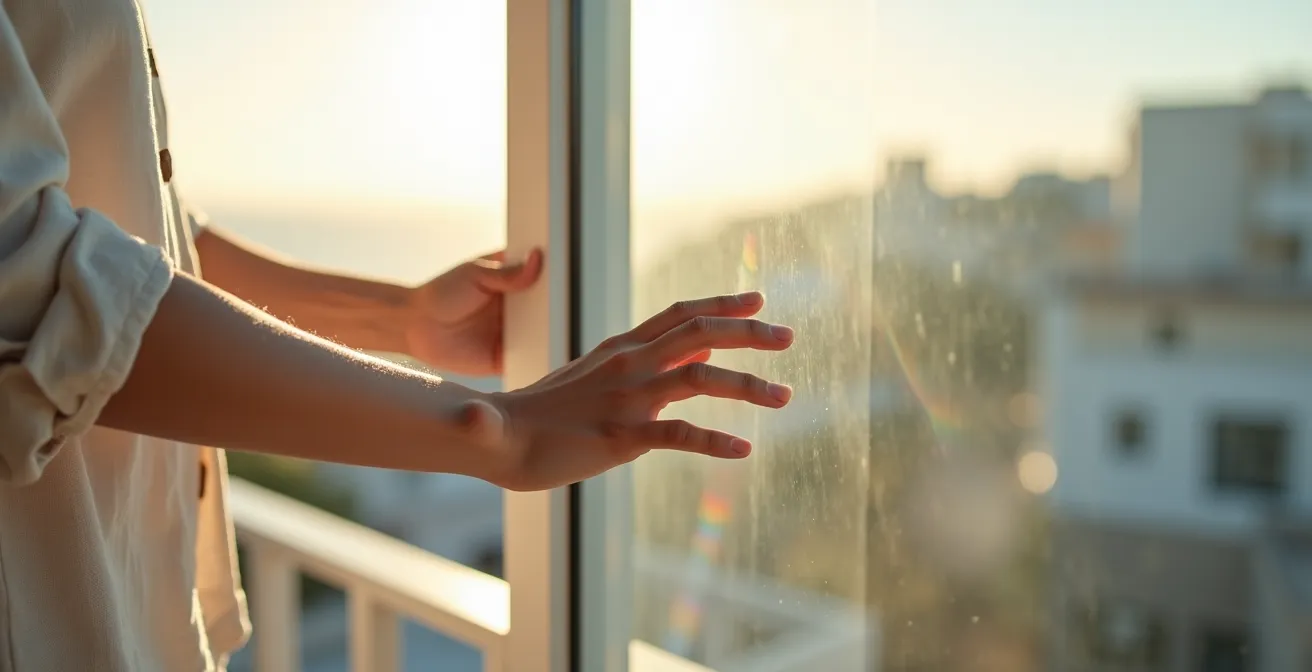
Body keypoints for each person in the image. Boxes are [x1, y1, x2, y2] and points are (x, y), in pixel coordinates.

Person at [0, 1, 797, 670]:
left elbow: (143, 236)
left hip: (133, 607)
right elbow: (31, 280)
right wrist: (496, 430)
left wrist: (401, 319)